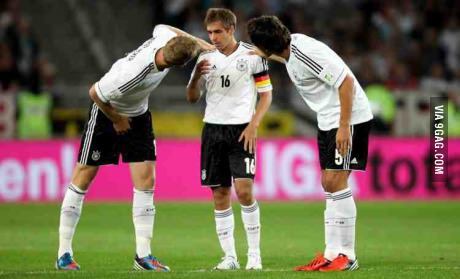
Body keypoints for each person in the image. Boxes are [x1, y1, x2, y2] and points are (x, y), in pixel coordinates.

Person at [55, 24, 212, 272]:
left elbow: (162, 26)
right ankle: (64, 253)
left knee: (146, 180)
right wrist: (117, 119)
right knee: (84, 175)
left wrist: (200, 44)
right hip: (108, 112)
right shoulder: (130, 76)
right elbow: (95, 92)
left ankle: (143, 256)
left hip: (138, 115)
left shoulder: (166, 39)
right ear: (177, 65)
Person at [247, 16, 373, 272]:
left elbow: (345, 81)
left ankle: (347, 255)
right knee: (328, 182)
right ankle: (330, 253)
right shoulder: (289, 51)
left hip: (348, 119)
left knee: (337, 182)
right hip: (328, 120)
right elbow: (281, 55)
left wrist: (344, 126)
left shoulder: (306, 53)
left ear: (268, 45)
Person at [186, 8, 272, 271]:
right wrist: (197, 76)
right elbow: (192, 97)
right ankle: (230, 258)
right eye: (210, 32)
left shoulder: (252, 55)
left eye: (218, 32)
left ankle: (254, 256)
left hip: (241, 131)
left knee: (244, 191)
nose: (213, 37)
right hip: (212, 130)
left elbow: (266, 94)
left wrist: (254, 125)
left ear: (231, 29)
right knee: (220, 194)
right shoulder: (204, 58)